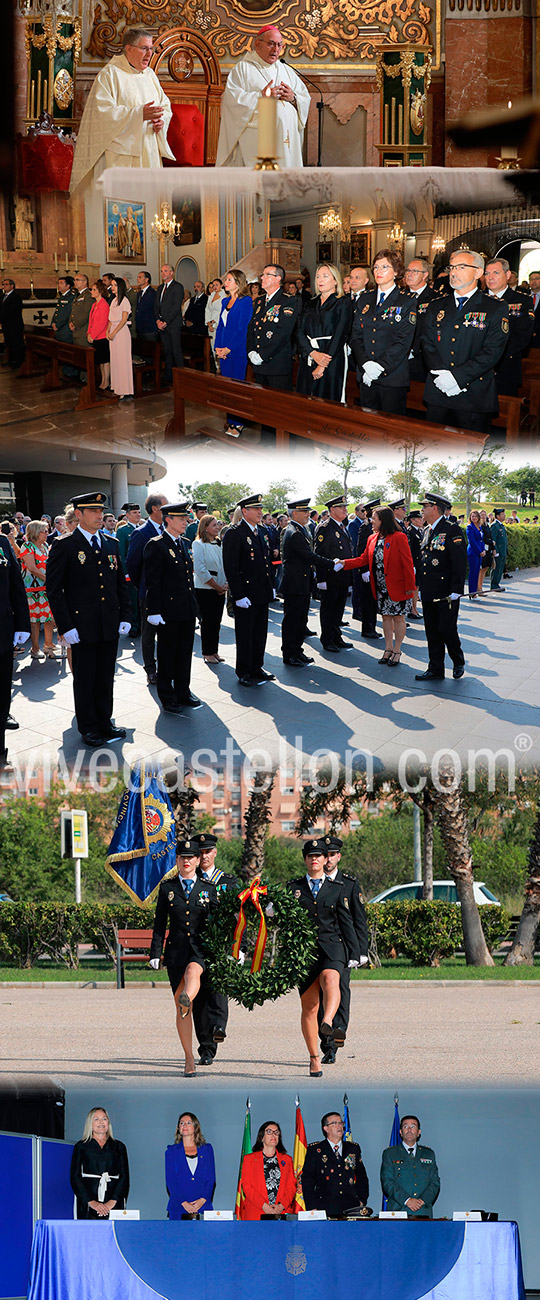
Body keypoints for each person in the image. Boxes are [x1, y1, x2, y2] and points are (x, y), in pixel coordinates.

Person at [46, 490, 132, 746]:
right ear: (79, 514)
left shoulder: (110, 543)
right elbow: (54, 590)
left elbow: (119, 584)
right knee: (85, 678)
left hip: (108, 623)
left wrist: (125, 614)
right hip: (81, 626)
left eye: (101, 511)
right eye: (93, 511)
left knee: (106, 676)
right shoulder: (65, 545)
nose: (99, 515)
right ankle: (89, 727)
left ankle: (105, 721)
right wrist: (65, 626)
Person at [69, 27, 174, 194]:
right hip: (121, 154)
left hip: (149, 149)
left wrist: (161, 121)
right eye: (144, 48)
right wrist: (138, 114)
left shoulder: (150, 75)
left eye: (151, 49)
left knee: (150, 204)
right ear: (129, 49)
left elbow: (165, 106)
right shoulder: (110, 74)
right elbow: (102, 113)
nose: (149, 54)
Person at [288, 838, 360, 1077]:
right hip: (306, 952)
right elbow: (284, 918)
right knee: (309, 1007)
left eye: (319, 855)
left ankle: (328, 1021)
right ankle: (313, 1057)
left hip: (333, 947)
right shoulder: (293, 888)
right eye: (311, 856)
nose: (316, 859)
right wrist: (273, 909)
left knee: (331, 980)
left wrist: (355, 952)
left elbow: (348, 922)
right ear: (305, 859)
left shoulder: (338, 887)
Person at [149, 839, 218, 1077]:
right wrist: (155, 953)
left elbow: (217, 924)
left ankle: (188, 995)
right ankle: (189, 1058)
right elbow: (160, 924)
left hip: (200, 950)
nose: (186, 861)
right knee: (181, 1011)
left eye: (191, 858)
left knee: (193, 972)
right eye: (182, 858)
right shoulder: (167, 889)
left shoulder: (208, 889)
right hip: (176, 952)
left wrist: (225, 951)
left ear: (198, 861)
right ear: (177, 861)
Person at [421, 250, 509, 434]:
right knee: (432, 449)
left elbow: (492, 352)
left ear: (478, 272)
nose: (453, 272)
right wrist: (442, 377)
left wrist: (457, 378)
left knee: (471, 455)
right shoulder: (436, 305)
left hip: (473, 395)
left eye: (461, 267)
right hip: (439, 390)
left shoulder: (494, 307)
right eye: (452, 267)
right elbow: (427, 343)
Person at [216, 25, 310, 168]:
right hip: (257, 136)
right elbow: (232, 100)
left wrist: (293, 98)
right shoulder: (243, 69)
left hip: (286, 134)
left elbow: (304, 97)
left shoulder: (285, 69)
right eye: (271, 44)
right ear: (257, 44)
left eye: (279, 45)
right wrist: (261, 96)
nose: (275, 49)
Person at [143, 502, 201, 713]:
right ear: (168, 519)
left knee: (185, 652)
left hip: (186, 609)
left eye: (186, 518)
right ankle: (168, 696)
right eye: (182, 518)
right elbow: (153, 582)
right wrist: (154, 611)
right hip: (167, 611)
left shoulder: (185, 543)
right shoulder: (156, 544)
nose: (186, 522)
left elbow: (187, 579)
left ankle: (183, 691)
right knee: (168, 654)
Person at [343, 505, 416, 667]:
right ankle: (388, 648)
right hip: (381, 587)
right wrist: (344, 563)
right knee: (385, 617)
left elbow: (407, 563)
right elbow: (363, 559)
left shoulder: (399, 537)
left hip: (398, 586)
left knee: (398, 617)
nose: (371, 521)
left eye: (374, 519)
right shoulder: (372, 538)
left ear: (383, 521)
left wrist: (410, 586)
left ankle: (397, 650)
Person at [318, 838, 369, 1064]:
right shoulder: (313, 884)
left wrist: (362, 951)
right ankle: (327, 1041)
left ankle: (338, 1030)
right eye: (324, 854)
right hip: (319, 948)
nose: (327, 859)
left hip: (344, 948)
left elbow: (359, 920)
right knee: (321, 994)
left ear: (339, 857)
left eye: (332, 854)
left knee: (340, 988)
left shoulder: (349, 884)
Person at [351, 249, 416, 414]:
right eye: (376, 267)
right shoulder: (365, 299)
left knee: (391, 432)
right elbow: (356, 336)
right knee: (367, 427)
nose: (378, 271)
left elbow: (403, 342)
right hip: (366, 374)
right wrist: (365, 364)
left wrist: (379, 367)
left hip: (392, 377)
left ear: (396, 272)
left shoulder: (406, 300)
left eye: (384, 267)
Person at [222, 492, 275, 686]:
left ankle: (256, 666)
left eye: (261, 509)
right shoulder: (234, 533)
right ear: (245, 511)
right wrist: (238, 595)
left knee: (260, 632)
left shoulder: (260, 531)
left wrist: (271, 587)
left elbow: (265, 563)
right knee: (245, 634)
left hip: (261, 591)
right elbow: (231, 567)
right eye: (256, 509)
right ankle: (244, 670)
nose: (261, 512)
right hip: (245, 594)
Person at [280, 497, 340, 666]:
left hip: (302, 582)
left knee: (300, 619)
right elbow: (309, 556)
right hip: (295, 583)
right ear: (295, 513)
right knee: (292, 620)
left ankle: (297, 651)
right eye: (304, 511)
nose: (308, 514)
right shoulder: (294, 532)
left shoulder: (300, 530)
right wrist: (331, 564)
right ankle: (289, 653)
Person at [415, 492, 467, 682]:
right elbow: (424, 561)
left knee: (446, 628)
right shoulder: (427, 530)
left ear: (434, 508)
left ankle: (458, 660)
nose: (422, 511)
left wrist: (457, 590)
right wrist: (421, 587)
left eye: (425, 507)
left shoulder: (451, 529)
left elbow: (459, 562)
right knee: (432, 630)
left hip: (446, 591)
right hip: (429, 589)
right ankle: (435, 668)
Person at [125, 492, 167, 685]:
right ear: (156, 508)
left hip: (169, 594)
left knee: (168, 634)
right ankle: (150, 669)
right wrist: (142, 586)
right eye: (166, 506)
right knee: (149, 634)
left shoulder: (169, 530)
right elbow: (133, 564)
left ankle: (167, 668)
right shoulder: (141, 533)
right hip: (149, 593)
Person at [296, 264, 353, 403]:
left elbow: (340, 334)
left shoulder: (343, 302)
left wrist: (322, 364)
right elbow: (299, 331)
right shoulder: (310, 302)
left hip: (331, 358)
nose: (320, 280)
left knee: (327, 400)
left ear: (335, 280)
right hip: (309, 356)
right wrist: (311, 353)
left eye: (325, 276)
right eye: (318, 277)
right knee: (305, 398)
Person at [0, 531, 30, 769]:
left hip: (2, 630)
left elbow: (15, 583)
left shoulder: (1, 542)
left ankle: (0, 754)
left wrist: (22, 623)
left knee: (1, 693)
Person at [484, 257, 535, 396]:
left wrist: (493, 357)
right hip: (476, 369)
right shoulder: (478, 299)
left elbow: (523, 335)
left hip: (505, 366)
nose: (491, 277)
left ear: (507, 275)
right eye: (487, 274)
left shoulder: (522, 300)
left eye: (496, 273)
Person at [247, 264, 301, 394]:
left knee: (278, 407)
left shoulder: (289, 301)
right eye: (262, 274)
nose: (262, 278)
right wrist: (251, 351)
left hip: (276, 364)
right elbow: (252, 328)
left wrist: (262, 355)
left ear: (278, 278)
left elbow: (283, 333)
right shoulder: (260, 301)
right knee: (260, 403)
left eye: (267, 275)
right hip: (259, 363)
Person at [302, 1112, 369, 1215]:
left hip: (351, 1207)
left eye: (341, 1123)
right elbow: (308, 1181)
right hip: (325, 1207)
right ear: (326, 1128)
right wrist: (312, 1207)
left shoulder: (353, 1149)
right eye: (335, 1123)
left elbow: (362, 1177)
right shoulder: (316, 1150)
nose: (339, 1126)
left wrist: (361, 1200)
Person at [70, 1107, 129, 1220]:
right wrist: (91, 1202)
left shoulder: (119, 1146)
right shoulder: (81, 1146)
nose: (101, 1122)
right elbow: (75, 1177)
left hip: (114, 1201)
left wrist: (112, 1201)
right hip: (88, 1203)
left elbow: (124, 1177)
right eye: (96, 1119)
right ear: (90, 1123)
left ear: (108, 1123)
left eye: (104, 1119)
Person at [214, 269, 253, 436]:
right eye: (226, 280)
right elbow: (221, 326)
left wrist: (229, 348)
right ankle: (230, 420)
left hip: (237, 350)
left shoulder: (246, 302)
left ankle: (238, 423)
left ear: (238, 283)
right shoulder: (225, 302)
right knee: (226, 389)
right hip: (224, 350)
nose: (225, 283)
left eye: (229, 280)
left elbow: (242, 329)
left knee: (236, 387)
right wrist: (218, 347)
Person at [314, 494, 354, 653]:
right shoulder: (325, 527)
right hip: (330, 577)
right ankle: (328, 639)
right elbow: (321, 554)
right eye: (341, 507)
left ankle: (337, 636)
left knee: (338, 610)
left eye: (345, 507)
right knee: (328, 609)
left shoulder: (342, 526)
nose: (345, 509)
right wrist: (321, 578)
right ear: (332, 509)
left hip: (342, 576)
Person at [380, 1115, 440, 1218]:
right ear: (400, 1132)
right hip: (398, 1211)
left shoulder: (428, 1154)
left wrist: (422, 1201)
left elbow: (435, 1182)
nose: (409, 1130)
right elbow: (387, 1182)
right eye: (405, 1126)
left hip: (423, 1211)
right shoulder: (390, 1153)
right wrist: (407, 1200)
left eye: (413, 1126)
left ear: (418, 1132)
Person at [239, 1120, 297, 1220]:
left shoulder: (287, 1160)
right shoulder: (249, 1159)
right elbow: (247, 1187)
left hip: (281, 1212)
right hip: (257, 1212)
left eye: (276, 1132)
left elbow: (291, 1186)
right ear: (262, 1137)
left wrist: (281, 1206)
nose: (273, 1135)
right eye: (269, 1132)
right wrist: (264, 1206)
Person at [19, 520, 57, 660]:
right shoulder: (27, 546)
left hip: (46, 588)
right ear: (35, 532)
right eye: (45, 531)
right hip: (33, 589)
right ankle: (35, 649)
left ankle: (48, 644)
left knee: (48, 617)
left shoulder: (45, 546)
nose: (48, 533)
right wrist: (48, 579)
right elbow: (32, 568)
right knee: (35, 620)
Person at [192, 514, 228, 664]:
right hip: (205, 590)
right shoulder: (198, 544)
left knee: (216, 621)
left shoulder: (219, 543)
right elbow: (200, 570)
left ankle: (215, 651)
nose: (217, 527)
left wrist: (225, 585)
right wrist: (217, 586)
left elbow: (224, 565)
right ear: (205, 528)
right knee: (207, 622)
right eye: (214, 525)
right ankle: (207, 652)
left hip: (220, 589)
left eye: (218, 525)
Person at [165, 1113, 215, 1219]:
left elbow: (211, 1179)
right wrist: (183, 1202)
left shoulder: (207, 1149)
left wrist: (203, 1200)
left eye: (188, 1123)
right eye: (181, 1123)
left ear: (196, 1127)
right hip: (179, 1207)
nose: (184, 1125)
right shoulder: (171, 1151)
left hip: (202, 1206)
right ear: (178, 1128)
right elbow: (171, 1181)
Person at [154, 265, 184, 384]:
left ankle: (181, 376)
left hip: (173, 324)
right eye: (161, 271)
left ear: (171, 273)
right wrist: (157, 320)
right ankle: (169, 375)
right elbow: (156, 306)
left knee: (176, 350)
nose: (163, 273)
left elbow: (176, 307)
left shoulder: (177, 287)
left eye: (165, 271)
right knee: (167, 351)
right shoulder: (160, 287)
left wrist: (166, 321)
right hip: (161, 324)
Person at [107, 277, 133, 399]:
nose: (112, 287)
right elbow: (110, 319)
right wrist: (108, 331)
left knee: (122, 361)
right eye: (112, 285)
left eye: (115, 285)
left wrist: (114, 333)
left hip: (121, 333)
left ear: (121, 287)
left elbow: (123, 320)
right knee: (115, 359)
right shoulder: (113, 301)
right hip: (113, 332)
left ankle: (124, 389)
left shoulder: (125, 301)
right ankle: (116, 386)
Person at [87, 279, 111, 390]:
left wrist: (93, 335)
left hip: (102, 337)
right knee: (100, 361)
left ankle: (106, 381)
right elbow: (91, 321)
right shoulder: (94, 305)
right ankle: (102, 381)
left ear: (100, 291)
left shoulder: (104, 305)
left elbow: (102, 323)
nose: (91, 291)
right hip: (95, 337)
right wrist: (88, 333)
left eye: (94, 289)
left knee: (105, 361)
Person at [1, 279, 25, 369]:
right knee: (9, 343)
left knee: (16, 344)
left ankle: (18, 362)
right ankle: (10, 361)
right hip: (6, 325)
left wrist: (2, 317)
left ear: (12, 286)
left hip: (14, 325)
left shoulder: (16, 297)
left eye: (6, 284)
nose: (4, 286)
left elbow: (13, 311)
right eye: (3, 284)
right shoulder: (3, 296)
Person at [466, 509, 486, 599]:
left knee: (477, 572)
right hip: (473, 552)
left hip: (480, 552)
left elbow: (481, 540)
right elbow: (472, 541)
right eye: (472, 516)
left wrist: (483, 550)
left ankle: (475, 591)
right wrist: (479, 551)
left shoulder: (479, 527)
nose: (474, 518)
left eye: (475, 516)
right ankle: (472, 592)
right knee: (473, 572)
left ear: (478, 517)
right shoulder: (469, 527)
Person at [51, 276, 76, 342]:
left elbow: (68, 313)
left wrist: (58, 325)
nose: (59, 285)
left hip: (65, 329)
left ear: (68, 285)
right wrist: (53, 322)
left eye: (61, 283)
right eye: (58, 283)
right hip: (59, 330)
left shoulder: (71, 296)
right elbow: (57, 311)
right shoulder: (62, 297)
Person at [205, 278, 225, 358]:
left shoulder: (224, 296)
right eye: (213, 285)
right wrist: (209, 323)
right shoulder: (211, 296)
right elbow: (207, 310)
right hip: (211, 324)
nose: (215, 287)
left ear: (221, 285)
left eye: (217, 285)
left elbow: (222, 311)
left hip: (219, 323)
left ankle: (221, 365)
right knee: (213, 345)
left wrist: (215, 321)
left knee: (220, 345)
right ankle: (216, 365)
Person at [135, 270, 157, 342]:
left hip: (149, 328)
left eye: (140, 277)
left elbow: (155, 309)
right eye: (138, 277)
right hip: (140, 327)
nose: (138, 279)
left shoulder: (152, 293)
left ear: (147, 279)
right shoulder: (139, 293)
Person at [490, 506, 508, 592]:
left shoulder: (501, 525)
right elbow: (493, 539)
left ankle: (496, 584)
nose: (504, 516)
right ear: (497, 516)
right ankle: (494, 585)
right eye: (502, 514)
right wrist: (495, 550)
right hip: (498, 551)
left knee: (500, 568)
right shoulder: (494, 526)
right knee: (496, 568)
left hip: (502, 551)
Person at [477, 507, 494, 596]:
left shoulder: (487, 525)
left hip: (488, 550)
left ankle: (481, 587)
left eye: (484, 515)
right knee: (480, 569)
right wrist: (491, 542)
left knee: (485, 568)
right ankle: (478, 589)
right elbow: (483, 538)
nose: (483, 516)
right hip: (482, 549)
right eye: (481, 515)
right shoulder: (479, 526)